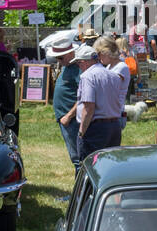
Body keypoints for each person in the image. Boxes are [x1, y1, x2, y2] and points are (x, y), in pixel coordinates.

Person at [74, 44, 125, 160]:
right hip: (114, 126)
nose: (79, 67)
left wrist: (81, 132)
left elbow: (89, 108)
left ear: (84, 62)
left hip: (96, 129)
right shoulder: (114, 76)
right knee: (111, 165)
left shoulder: (87, 77)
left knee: (89, 166)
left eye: (78, 64)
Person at [48, 37, 82, 169]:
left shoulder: (77, 68)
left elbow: (83, 95)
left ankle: (82, 186)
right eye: (57, 58)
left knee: (78, 157)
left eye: (60, 58)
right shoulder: (67, 66)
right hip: (66, 118)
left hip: (72, 120)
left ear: (70, 53)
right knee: (76, 156)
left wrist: (69, 116)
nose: (58, 61)